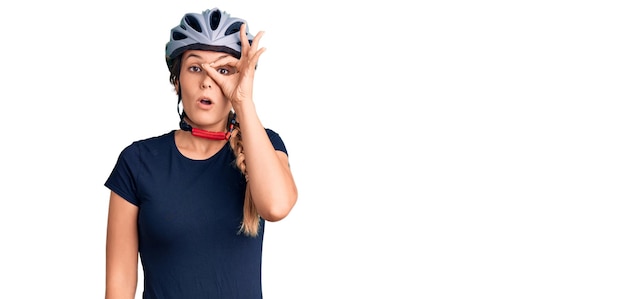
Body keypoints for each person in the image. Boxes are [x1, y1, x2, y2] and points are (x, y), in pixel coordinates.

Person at [103, 7, 298, 299]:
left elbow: (277, 207)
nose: (208, 81)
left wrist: (243, 103)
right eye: (195, 68)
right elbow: (119, 285)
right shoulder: (138, 161)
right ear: (176, 80)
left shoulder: (264, 144)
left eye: (224, 71)